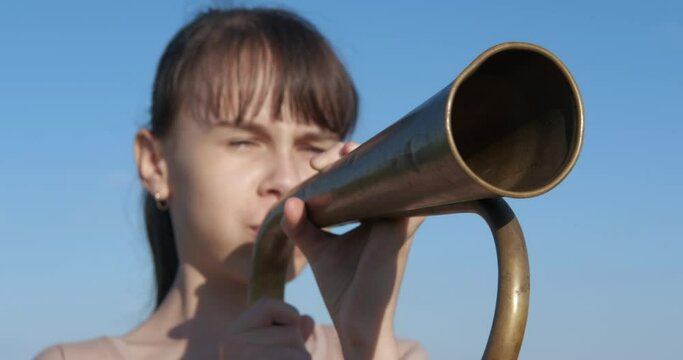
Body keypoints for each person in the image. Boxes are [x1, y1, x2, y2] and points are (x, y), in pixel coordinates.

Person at [35, 7, 426, 359]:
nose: (287, 180)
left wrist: (367, 342)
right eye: (243, 141)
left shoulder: (392, 353)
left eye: (313, 146)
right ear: (156, 163)